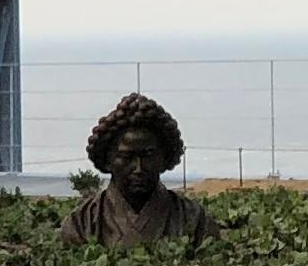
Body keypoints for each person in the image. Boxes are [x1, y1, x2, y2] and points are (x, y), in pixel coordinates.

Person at [71, 92, 209, 251]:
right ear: (108, 161)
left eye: (148, 156)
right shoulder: (82, 222)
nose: (138, 168)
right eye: (126, 157)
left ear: (164, 158)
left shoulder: (193, 218)